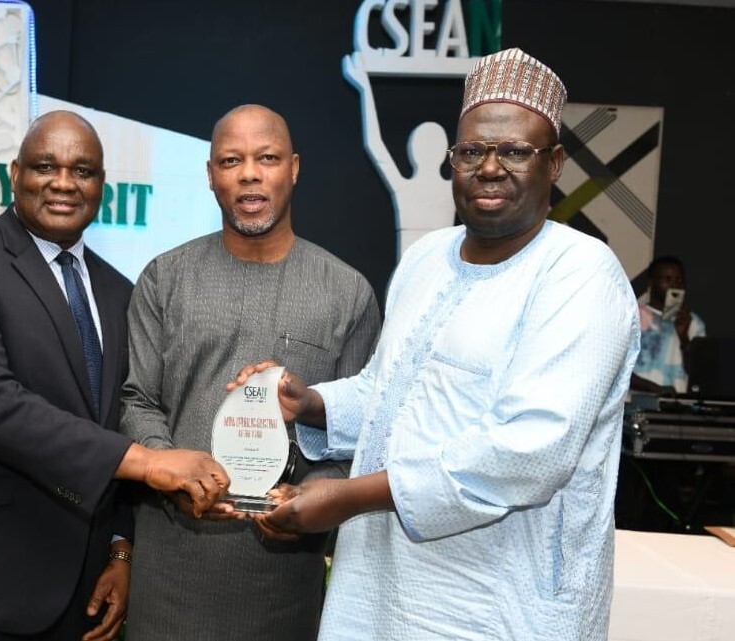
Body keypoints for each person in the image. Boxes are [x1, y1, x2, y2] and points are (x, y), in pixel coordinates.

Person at [237, 49, 641, 640]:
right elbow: (390, 388)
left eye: (515, 151)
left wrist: (346, 497)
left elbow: (527, 452)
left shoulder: (581, 274)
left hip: (502, 597)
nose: (491, 167)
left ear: (554, 163)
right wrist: (310, 403)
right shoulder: (428, 257)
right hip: (381, 581)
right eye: (473, 150)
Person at [0, 111, 230, 641]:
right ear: (15, 173)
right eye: (45, 166)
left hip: (78, 588)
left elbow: (121, 418)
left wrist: (120, 550)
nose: (63, 183)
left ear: (101, 184)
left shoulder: (118, 292)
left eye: (83, 170)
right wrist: (150, 464)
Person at [119, 104, 381, 641]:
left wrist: (317, 495)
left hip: (282, 585)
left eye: (267, 158)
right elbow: (136, 400)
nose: (250, 173)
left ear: (295, 168)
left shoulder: (347, 292)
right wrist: (171, 469)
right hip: (170, 578)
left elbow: (357, 429)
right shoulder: (163, 280)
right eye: (232, 160)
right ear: (212, 174)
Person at [342, 51, 455, 257]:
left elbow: (375, 144)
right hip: (411, 279)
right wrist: (364, 89)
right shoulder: (448, 188)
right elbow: (375, 144)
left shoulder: (447, 188)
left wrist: (365, 88)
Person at [631, 255, 706, 394]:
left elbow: (701, 375)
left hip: (677, 409)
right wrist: (655, 389)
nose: (675, 285)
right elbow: (619, 370)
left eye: (679, 280)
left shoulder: (694, 322)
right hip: (636, 405)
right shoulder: (633, 316)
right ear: (651, 282)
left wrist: (684, 337)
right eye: (667, 279)